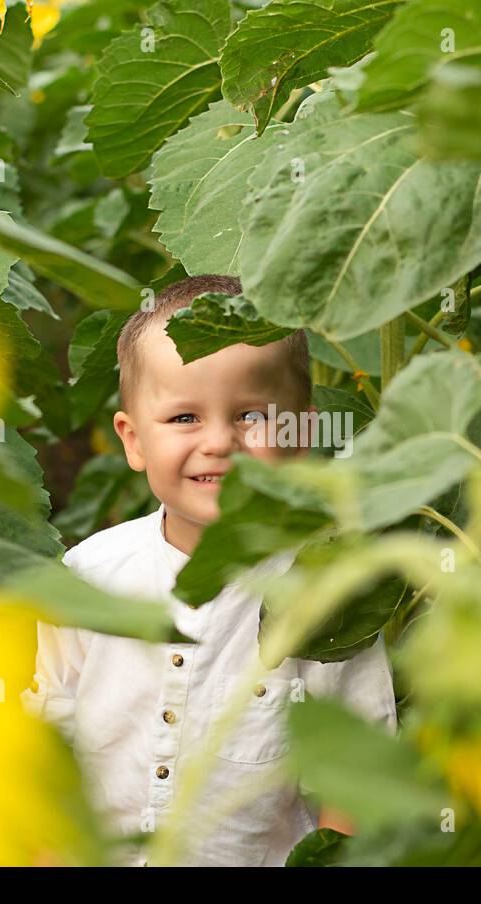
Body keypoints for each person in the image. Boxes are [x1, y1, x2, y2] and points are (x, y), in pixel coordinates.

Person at [22, 274, 397, 866]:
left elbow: (360, 785)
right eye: (183, 419)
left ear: (301, 431)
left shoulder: (327, 595)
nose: (220, 441)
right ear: (133, 439)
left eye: (251, 414)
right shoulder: (87, 576)